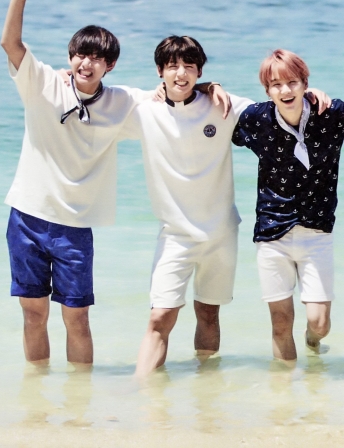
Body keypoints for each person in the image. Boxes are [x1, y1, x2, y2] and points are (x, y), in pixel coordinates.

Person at [127, 38, 330, 377]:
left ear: (200, 71)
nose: (181, 73)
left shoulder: (223, 105)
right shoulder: (144, 110)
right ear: (159, 71)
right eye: (173, 66)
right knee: (159, 316)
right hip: (174, 235)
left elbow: (278, 107)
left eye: (189, 67)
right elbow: (98, 98)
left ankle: (206, 390)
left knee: (209, 314)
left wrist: (311, 94)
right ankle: (140, 390)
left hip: (221, 232)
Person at [0, 0, 155, 366]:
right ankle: (36, 397)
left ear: (110, 65)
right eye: (81, 54)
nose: (87, 63)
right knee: (33, 314)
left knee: (78, 318)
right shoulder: (43, 84)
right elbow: (10, 43)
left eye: (97, 58)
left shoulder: (122, 103)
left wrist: (210, 88)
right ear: (71, 56)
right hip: (27, 218)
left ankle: (78, 402)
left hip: (74, 227)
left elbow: (172, 98)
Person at [232, 49, 343, 362]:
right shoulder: (257, 119)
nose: (285, 90)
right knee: (281, 323)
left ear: (305, 83)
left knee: (320, 324)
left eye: (292, 82)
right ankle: (282, 390)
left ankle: (312, 343)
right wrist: (205, 86)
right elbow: (214, 118)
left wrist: (320, 95)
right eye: (276, 84)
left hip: (317, 231)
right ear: (267, 90)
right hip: (272, 231)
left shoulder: (332, 114)